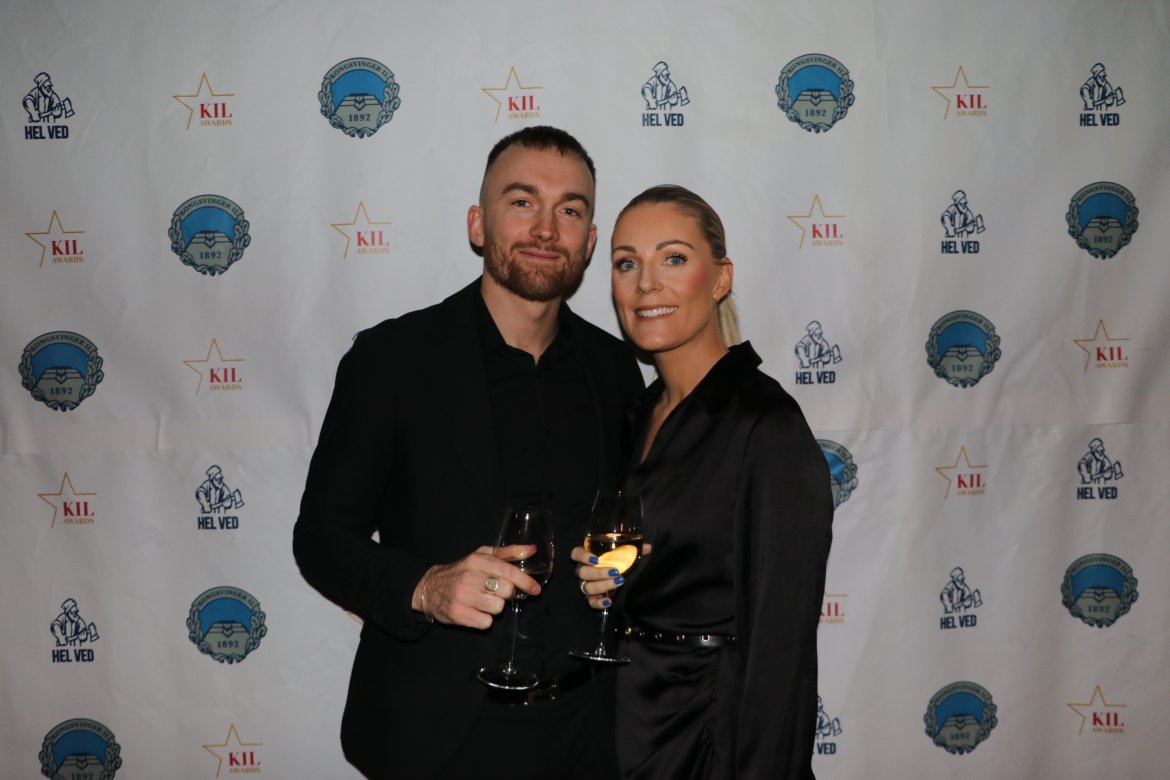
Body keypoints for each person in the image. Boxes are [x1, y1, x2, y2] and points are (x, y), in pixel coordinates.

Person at [293, 126, 644, 779]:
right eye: (522, 202)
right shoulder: (392, 360)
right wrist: (425, 587)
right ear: (478, 225)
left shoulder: (616, 369)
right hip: (438, 739)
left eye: (570, 210)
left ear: (590, 241)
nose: (546, 228)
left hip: (589, 733)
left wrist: (628, 572)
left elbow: (630, 526)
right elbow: (320, 538)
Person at [574, 185, 833, 779]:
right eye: (626, 263)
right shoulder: (637, 417)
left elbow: (782, 649)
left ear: (720, 279)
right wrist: (607, 584)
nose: (645, 284)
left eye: (673, 258)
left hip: (714, 738)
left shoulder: (764, 426)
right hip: (624, 728)